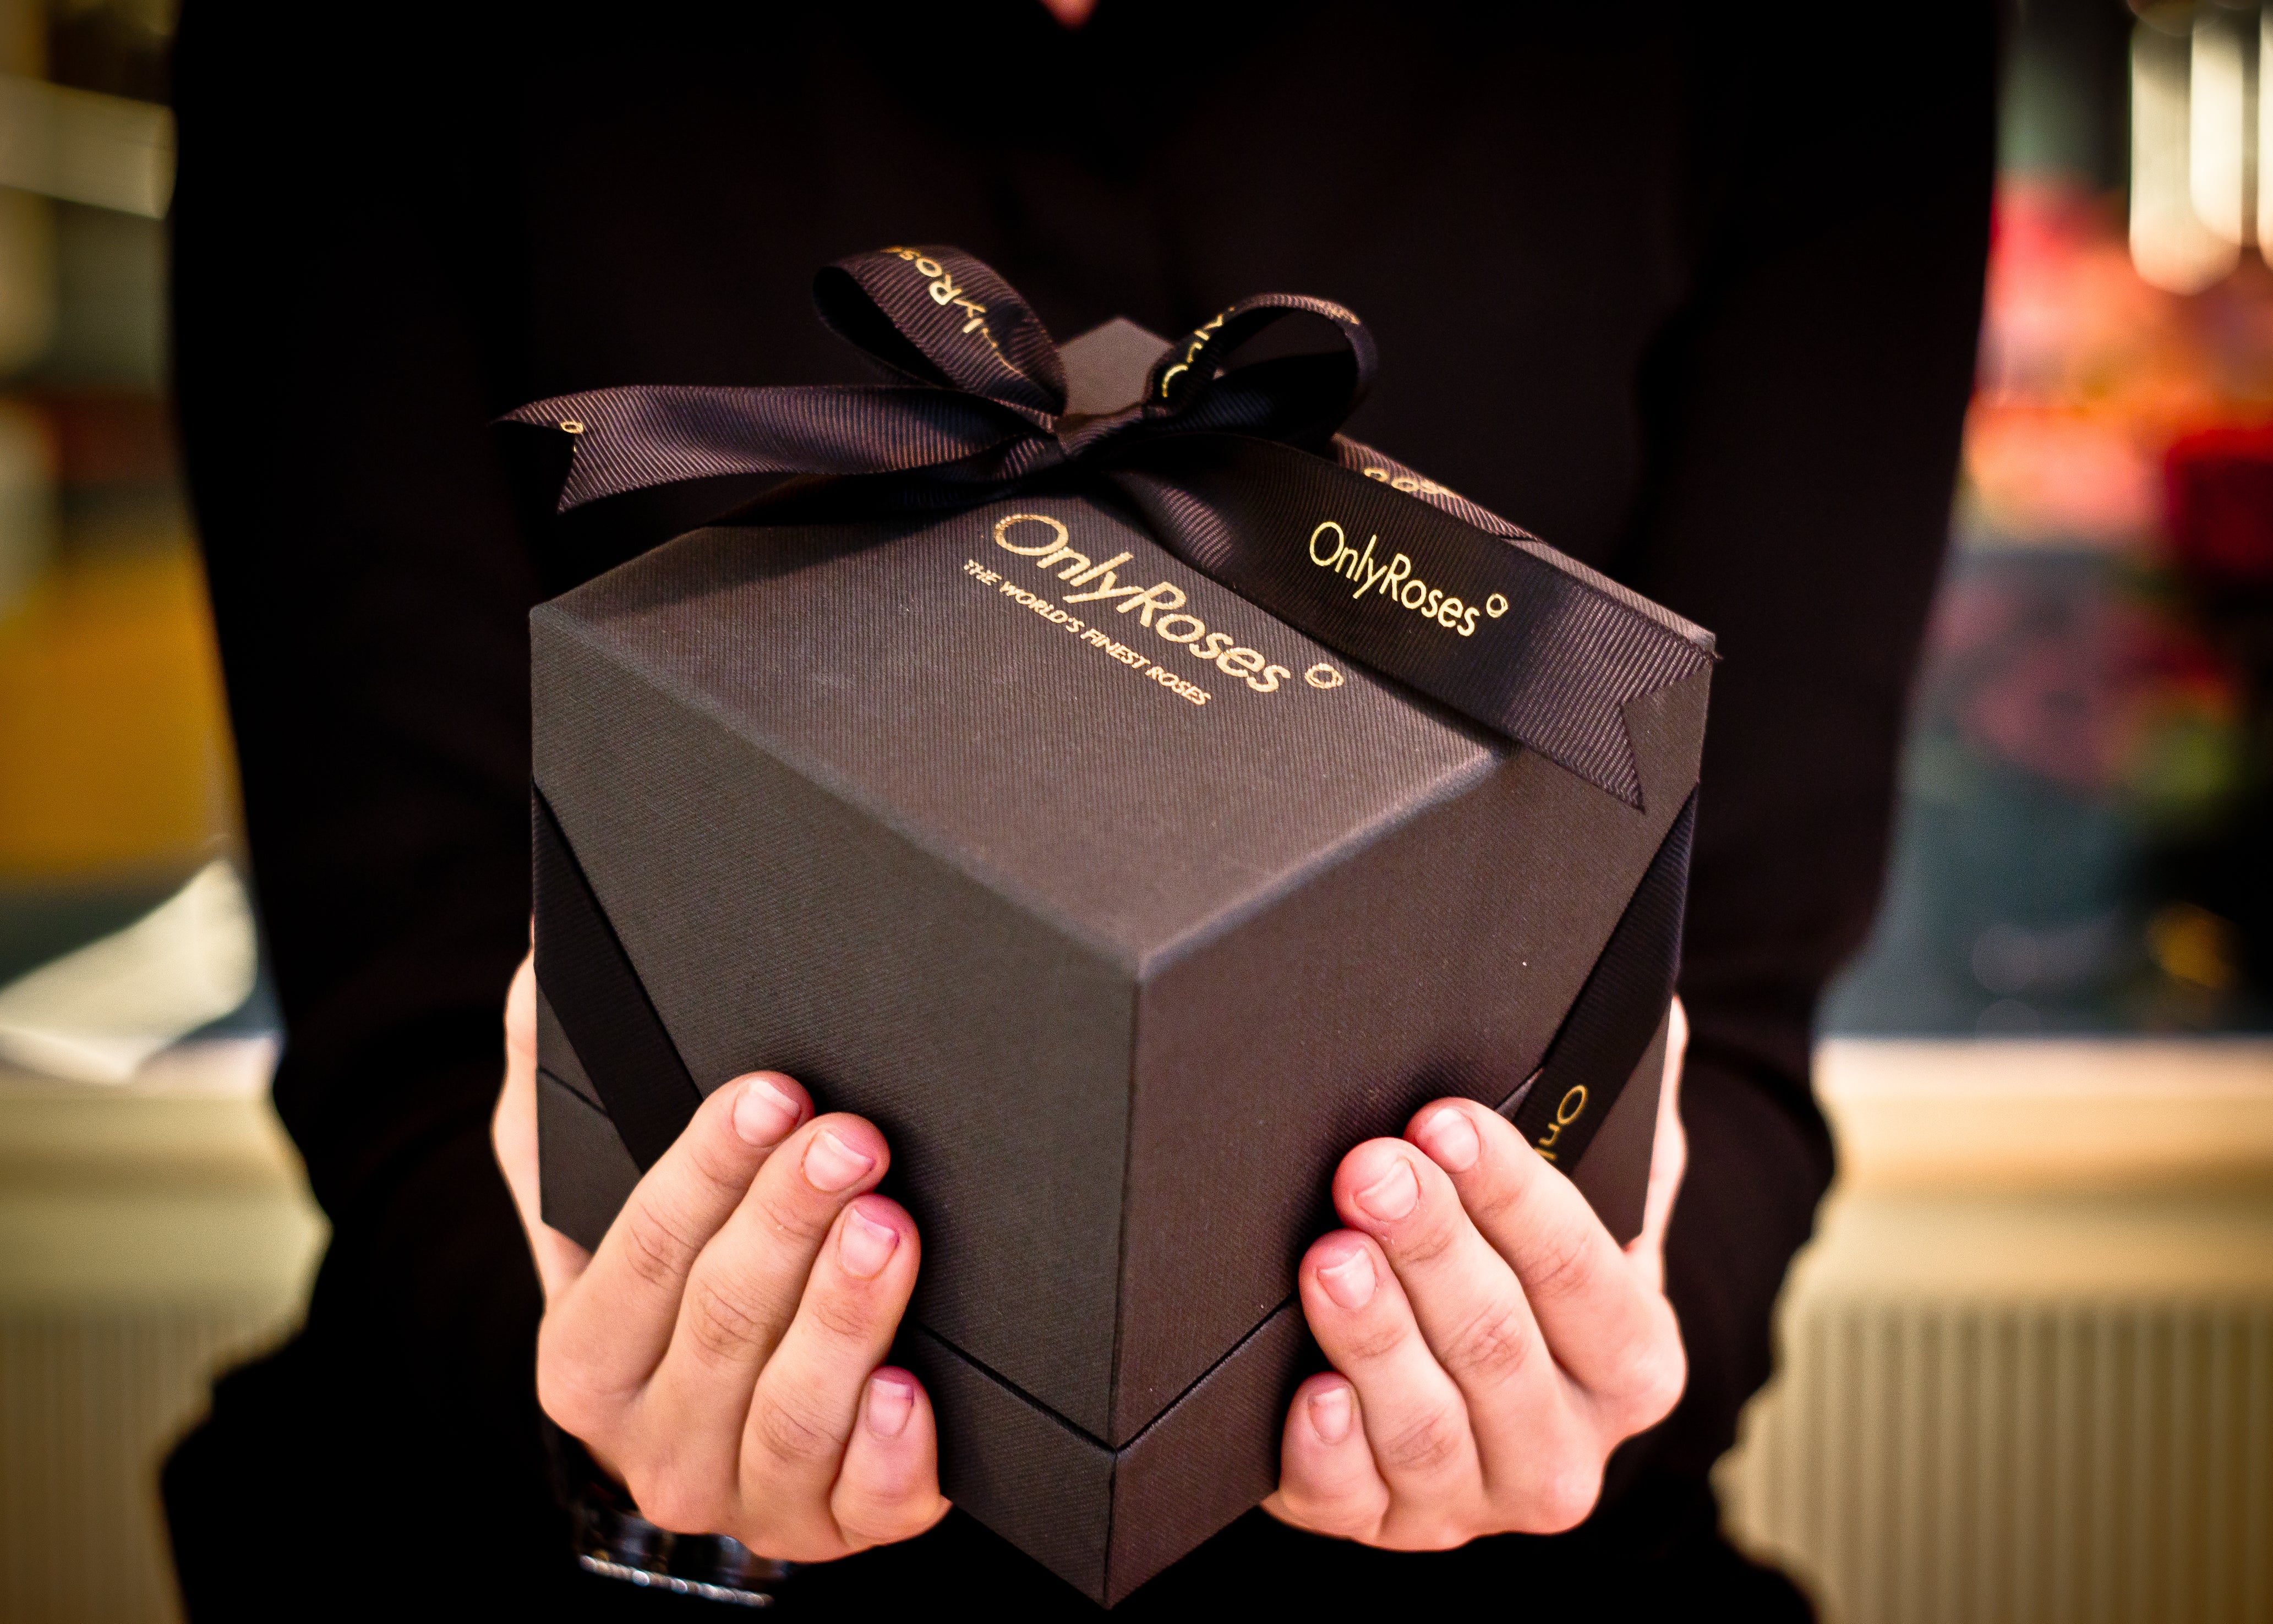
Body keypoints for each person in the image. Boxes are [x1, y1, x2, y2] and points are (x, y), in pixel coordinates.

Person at [161, 3, 1995, 1616]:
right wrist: (604, 1394)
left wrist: (1588, 1362)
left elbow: (1725, 1006)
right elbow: (402, 1012)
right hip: (576, 1549)